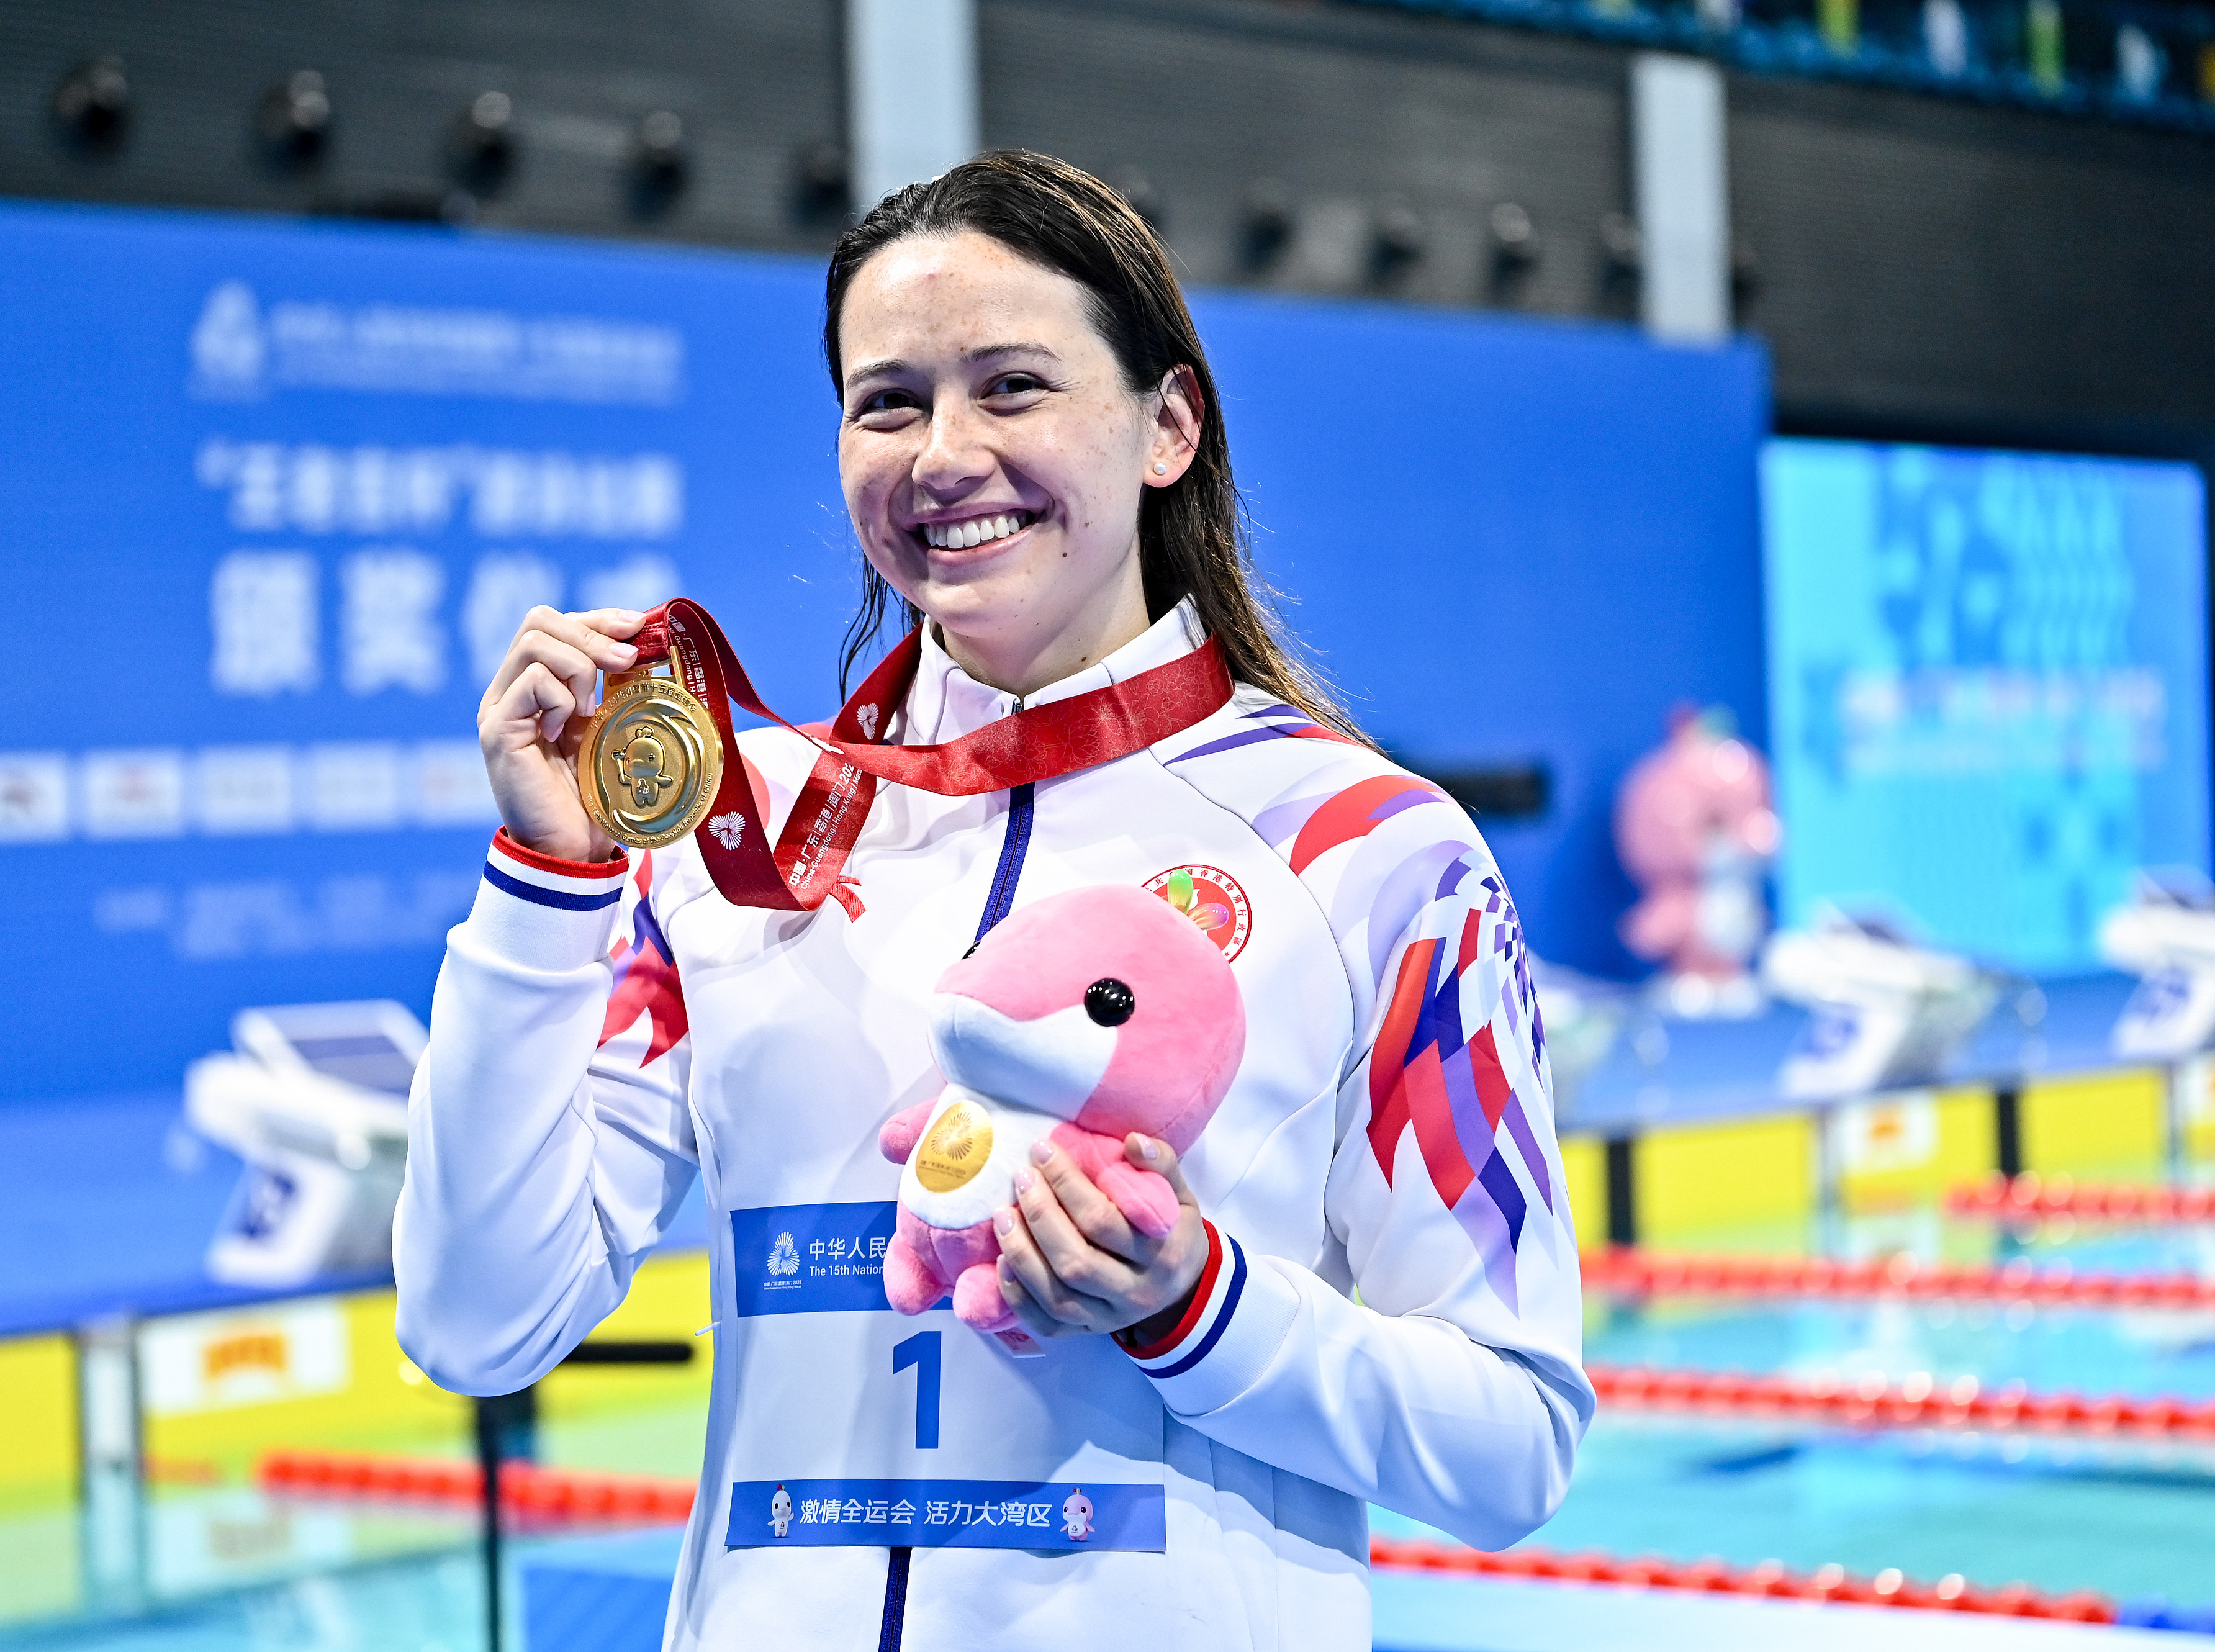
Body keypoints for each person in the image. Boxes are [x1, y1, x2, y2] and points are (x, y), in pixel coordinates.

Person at [395, 150, 1589, 1651]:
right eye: (884, 402)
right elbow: (476, 1320)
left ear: (1167, 426)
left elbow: (1511, 1439)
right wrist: (545, 882)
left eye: (1011, 386)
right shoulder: (730, 835)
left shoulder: (1367, 850)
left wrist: (1196, 1307)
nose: (941, 452)